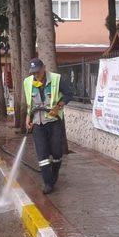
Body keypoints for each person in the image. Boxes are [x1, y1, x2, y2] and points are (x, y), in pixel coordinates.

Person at [24, 58, 73, 194]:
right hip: (37, 123)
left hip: (54, 121)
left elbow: (69, 94)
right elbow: (30, 103)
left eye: (38, 72)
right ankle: (47, 183)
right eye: (33, 73)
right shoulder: (27, 82)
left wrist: (58, 107)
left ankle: (54, 172)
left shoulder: (57, 79)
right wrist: (28, 117)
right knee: (42, 153)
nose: (36, 75)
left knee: (57, 152)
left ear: (44, 68)